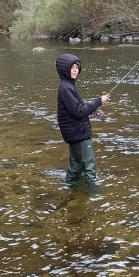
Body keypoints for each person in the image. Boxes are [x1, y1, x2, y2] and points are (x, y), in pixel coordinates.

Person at [56, 54, 110, 183]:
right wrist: (98, 101)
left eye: (77, 67)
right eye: (72, 67)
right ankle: (94, 196)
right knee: (90, 169)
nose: (75, 70)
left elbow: (75, 108)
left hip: (74, 134)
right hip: (79, 135)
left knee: (75, 167)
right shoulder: (66, 88)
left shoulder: (67, 86)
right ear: (64, 69)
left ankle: (69, 190)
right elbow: (79, 112)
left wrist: (93, 110)